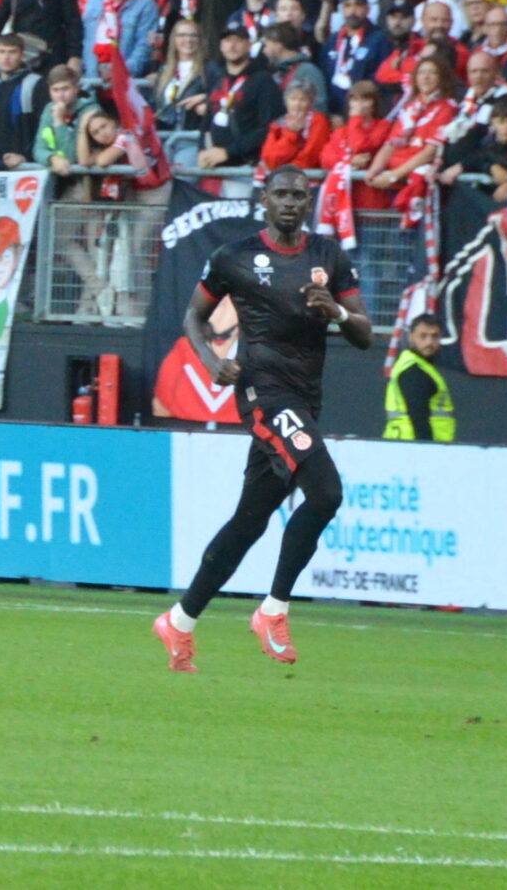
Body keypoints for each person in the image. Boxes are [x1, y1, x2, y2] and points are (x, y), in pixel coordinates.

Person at [157, 168, 371, 673]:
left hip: (304, 398)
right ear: (265, 199)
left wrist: (337, 313)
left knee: (250, 521)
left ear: (309, 202)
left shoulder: (329, 257)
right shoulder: (234, 257)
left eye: (299, 195)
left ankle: (178, 621)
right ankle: (273, 610)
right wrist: (210, 361)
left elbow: (365, 334)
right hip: (263, 394)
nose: (290, 202)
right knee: (326, 493)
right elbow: (194, 315)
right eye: (281, 194)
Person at [383, 313, 455, 442]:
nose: (429, 342)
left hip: (403, 441)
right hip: (412, 444)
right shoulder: (413, 370)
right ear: (411, 337)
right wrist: (426, 448)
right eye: (423, 336)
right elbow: (418, 417)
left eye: (434, 336)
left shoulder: (415, 364)